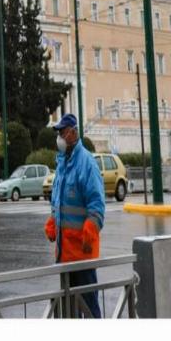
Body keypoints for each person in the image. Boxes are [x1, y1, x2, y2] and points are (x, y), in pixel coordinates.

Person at [44, 114, 105, 318]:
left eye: (62, 132)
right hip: (65, 254)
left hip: (82, 252)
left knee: (89, 309)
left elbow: (96, 204)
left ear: (72, 133)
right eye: (58, 133)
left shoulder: (86, 163)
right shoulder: (62, 163)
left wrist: (91, 227)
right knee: (69, 311)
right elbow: (59, 202)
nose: (59, 137)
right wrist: (54, 220)